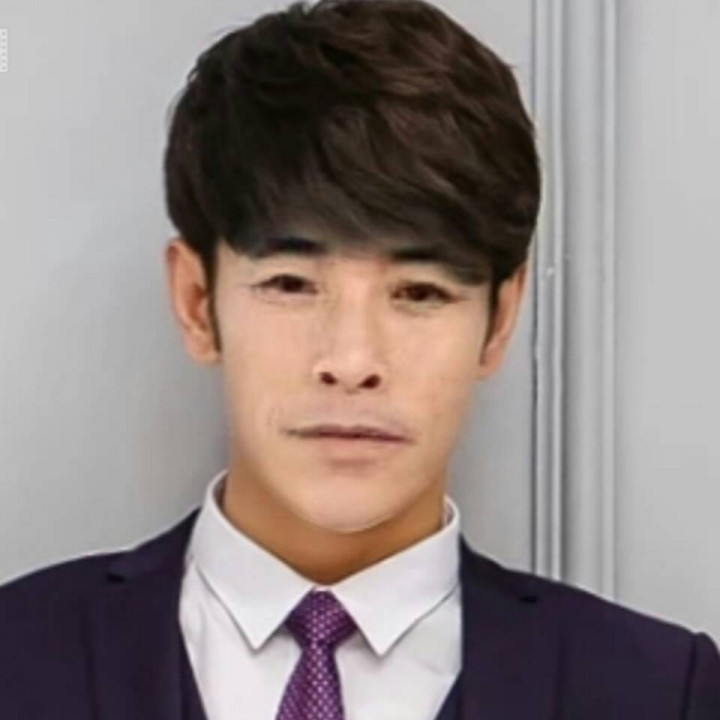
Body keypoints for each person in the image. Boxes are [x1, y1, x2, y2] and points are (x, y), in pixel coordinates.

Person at [1, 0, 719, 718]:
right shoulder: (16, 658)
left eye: (419, 292)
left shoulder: (659, 693)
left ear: (499, 320)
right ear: (197, 302)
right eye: (291, 284)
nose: (351, 361)